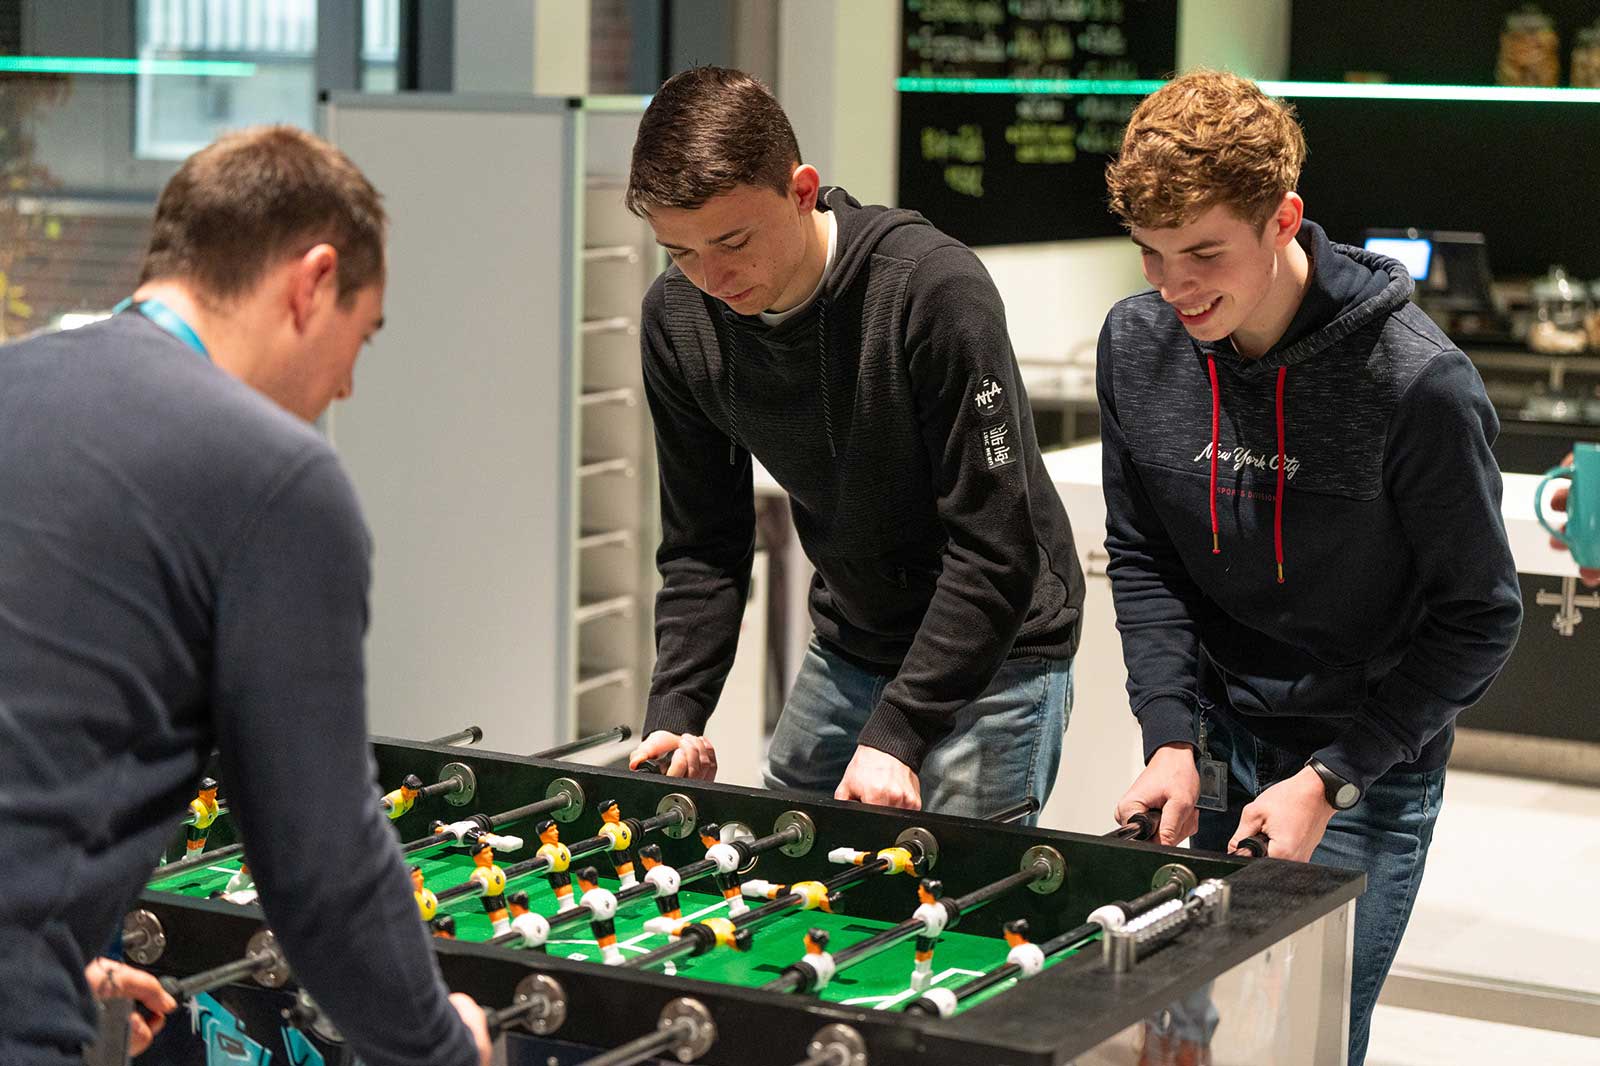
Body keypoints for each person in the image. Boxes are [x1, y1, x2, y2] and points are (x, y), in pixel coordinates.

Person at [0, 125, 489, 1066]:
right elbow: (322, 874)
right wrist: (445, 1051)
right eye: (361, 336)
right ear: (313, 282)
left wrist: (51, 960)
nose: (345, 384)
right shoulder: (276, 478)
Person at [1096, 71, 1522, 1065]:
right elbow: (1144, 553)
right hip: (1210, 736)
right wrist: (1167, 734)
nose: (1173, 287)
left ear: (1283, 219)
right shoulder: (1137, 343)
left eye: (1204, 253)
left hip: (1364, 761)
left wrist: (1333, 777)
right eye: (1151, 252)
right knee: (1173, 1030)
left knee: (1303, 1047)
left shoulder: (1418, 383)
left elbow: (1480, 617)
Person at [623, 67, 1084, 820]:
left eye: (733, 241)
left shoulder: (932, 290)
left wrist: (899, 731)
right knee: (784, 867)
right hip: (852, 637)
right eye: (680, 252)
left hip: (997, 650)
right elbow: (703, 543)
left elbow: (997, 548)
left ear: (802, 191)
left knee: (949, 885)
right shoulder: (677, 321)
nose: (713, 278)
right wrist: (676, 709)